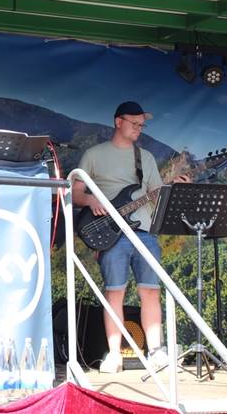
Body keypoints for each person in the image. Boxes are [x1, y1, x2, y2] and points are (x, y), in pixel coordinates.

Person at [72, 101, 189, 374]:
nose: (139, 128)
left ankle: (157, 351)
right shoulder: (94, 154)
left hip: (143, 231)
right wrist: (89, 200)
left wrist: (173, 188)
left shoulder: (144, 157)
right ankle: (114, 354)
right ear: (118, 122)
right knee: (115, 292)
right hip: (111, 234)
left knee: (150, 290)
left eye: (142, 125)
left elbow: (155, 193)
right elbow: (75, 193)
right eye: (134, 123)